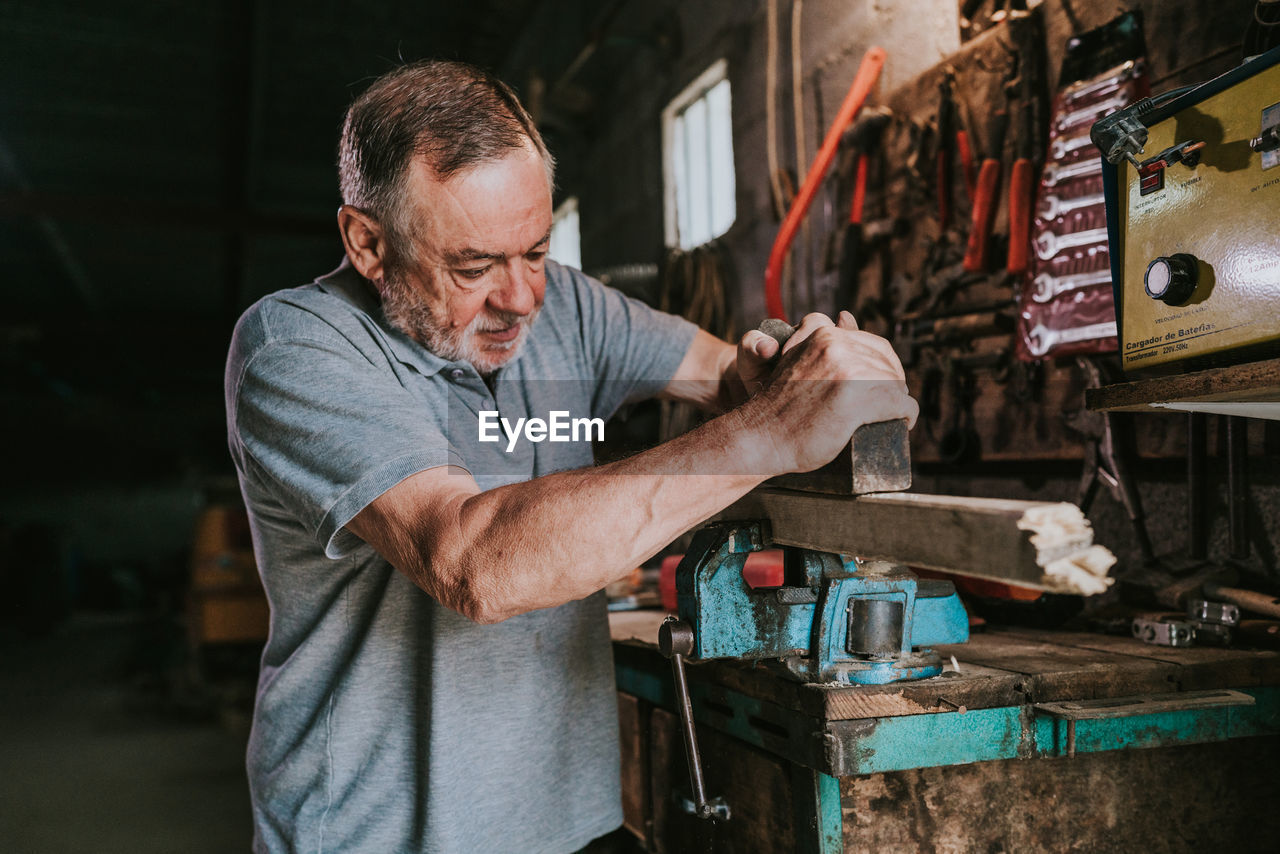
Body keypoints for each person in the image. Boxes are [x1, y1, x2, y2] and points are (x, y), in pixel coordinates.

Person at [224, 58, 916, 854]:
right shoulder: (297, 348)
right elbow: (472, 561)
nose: (521, 298)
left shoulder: (571, 312)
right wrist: (771, 430)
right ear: (368, 243)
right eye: (473, 267)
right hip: (377, 833)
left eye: (537, 251)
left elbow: (725, 373)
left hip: (569, 824)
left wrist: (795, 371)